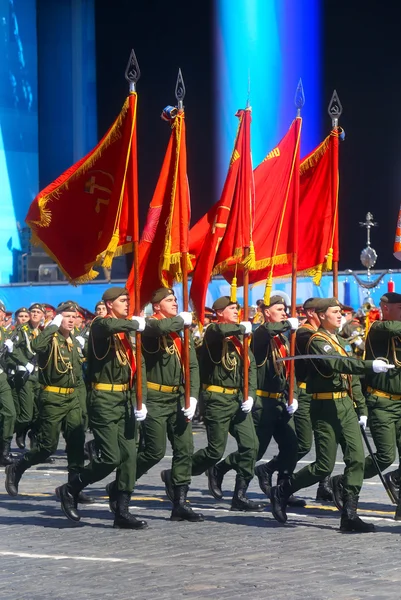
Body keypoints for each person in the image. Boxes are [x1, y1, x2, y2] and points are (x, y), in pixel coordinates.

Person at [270, 297, 394, 532]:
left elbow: (351, 378)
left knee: (356, 459)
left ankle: (349, 515)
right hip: (325, 407)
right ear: (320, 315)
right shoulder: (318, 340)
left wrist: (361, 408)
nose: (340, 315)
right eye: (334, 312)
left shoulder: (338, 339)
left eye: (341, 312)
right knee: (324, 466)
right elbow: (339, 365)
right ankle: (283, 490)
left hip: (345, 406)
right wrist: (370, 365)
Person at [54, 287, 148, 529]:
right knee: (110, 457)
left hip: (125, 400)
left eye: (128, 300)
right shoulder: (100, 325)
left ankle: (121, 510)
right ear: (108, 305)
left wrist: (141, 400)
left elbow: (138, 367)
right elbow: (107, 327)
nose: (127, 304)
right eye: (122, 301)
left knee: (129, 457)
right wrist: (132, 323)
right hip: (104, 399)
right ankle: (71, 488)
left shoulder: (127, 332)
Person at [4, 302, 89, 500]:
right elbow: (35, 346)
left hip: (73, 397)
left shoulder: (75, 341)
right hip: (52, 397)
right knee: (47, 447)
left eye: (73, 316)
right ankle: (18, 467)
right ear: (58, 318)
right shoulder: (50, 338)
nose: (70, 320)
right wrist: (52, 326)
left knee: (76, 442)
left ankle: (74, 488)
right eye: (66, 316)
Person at [136, 287, 203, 522]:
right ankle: (122, 484)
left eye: (175, 299)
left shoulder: (182, 330)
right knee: (154, 451)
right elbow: (160, 328)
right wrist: (180, 321)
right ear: (156, 306)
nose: (175, 303)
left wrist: (193, 396)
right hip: (154, 397)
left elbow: (192, 366)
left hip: (178, 398)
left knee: (185, 450)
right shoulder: (148, 325)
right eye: (169, 300)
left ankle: (180, 503)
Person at [192, 296, 262, 512]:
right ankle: (179, 474)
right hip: (217, 399)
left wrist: (250, 395)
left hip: (238, 399)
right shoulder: (213, 331)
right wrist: (242, 327)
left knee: (251, 446)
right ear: (219, 312)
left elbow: (250, 367)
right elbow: (220, 333)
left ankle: (240, 495)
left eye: (237, 308)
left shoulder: (240, 340)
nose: (236, 311)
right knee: (215, 450)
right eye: (232, 308)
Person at [233, 294, 303, 508]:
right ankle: (239, 494)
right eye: (279, 309)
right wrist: (285, 325)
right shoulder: (260, 335)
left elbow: (291, 370)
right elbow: (265, 331)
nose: (284, 312)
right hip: (262, 403)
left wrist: (294, 397)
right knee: (256, 450)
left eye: (285, 309)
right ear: (265, 312)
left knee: (292, 446)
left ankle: (283, 489)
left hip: (280, 401)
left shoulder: (283, 339)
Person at [353, 292, 401, 511]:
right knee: (384, 456)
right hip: (381, 402)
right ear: (385, 307)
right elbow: (392, 329)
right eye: (400, 307)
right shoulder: (377, 328)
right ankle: (346, 481)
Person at [294, 297, 333, 502]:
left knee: (325, 440)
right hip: (304, 393)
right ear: (310, 313)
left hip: (319, 393)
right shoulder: (304, 333)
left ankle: (324, 485)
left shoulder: (323, 334)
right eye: (322, 312)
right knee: (303, 444)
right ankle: (275, 472)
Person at [10, 302, 45, 449]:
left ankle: (35, 445)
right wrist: (25, 363)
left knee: (39, 414)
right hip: (26, 375)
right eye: (33, 312)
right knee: (26, 414)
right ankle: (18, 430)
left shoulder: (44, 332)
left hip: (40, 376)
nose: (35, 314)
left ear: (43, 316)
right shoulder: (22, 329)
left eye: (38, 312)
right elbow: (13, 349)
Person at [0, 302, 17, 465]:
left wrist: (12, 353)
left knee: (10, 413)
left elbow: (12, 357)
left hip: (1, 378)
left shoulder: (5, 334)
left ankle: (4, 450)